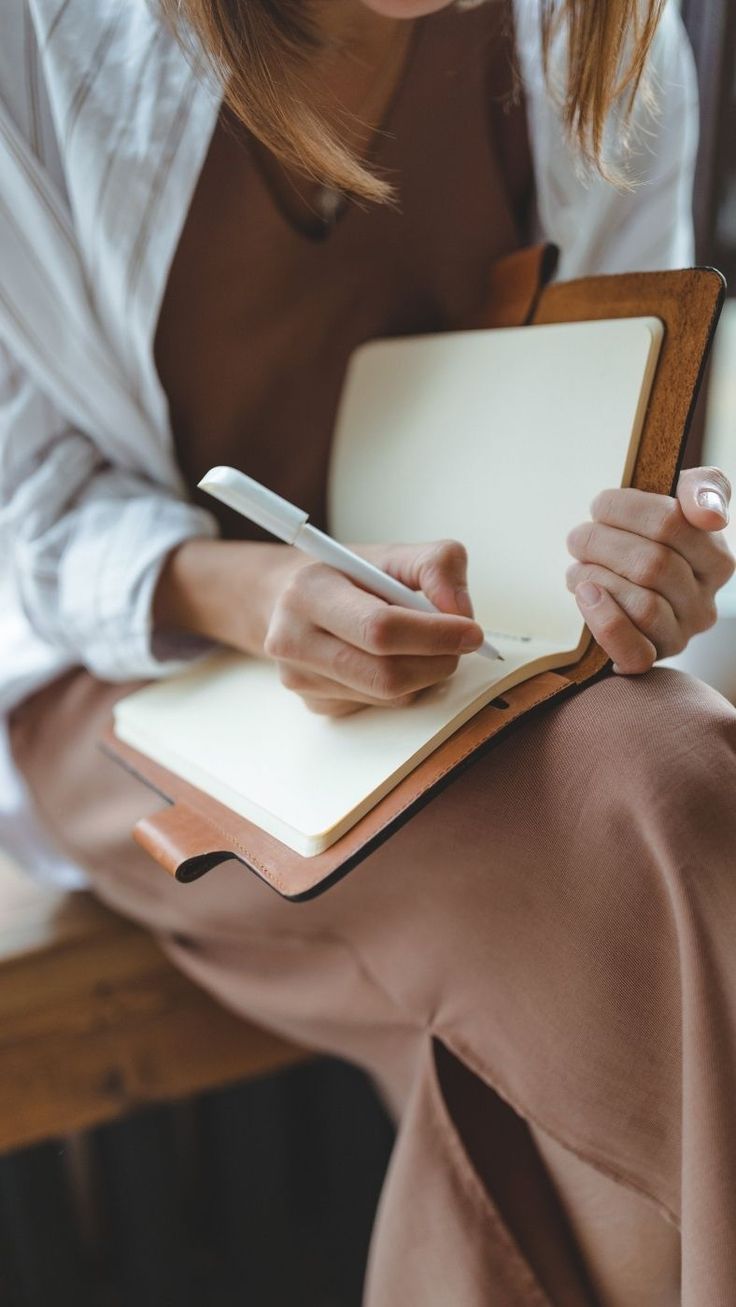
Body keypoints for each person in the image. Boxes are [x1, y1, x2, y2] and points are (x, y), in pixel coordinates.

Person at [1, 0, 735, 1301]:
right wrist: (256, 594)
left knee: (654, 779)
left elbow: (624, 414)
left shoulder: (604, 31)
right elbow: (26, 507)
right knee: (660, 803)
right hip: (140, 689)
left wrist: (647, 572)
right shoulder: (39, 42)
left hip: (492, 674)